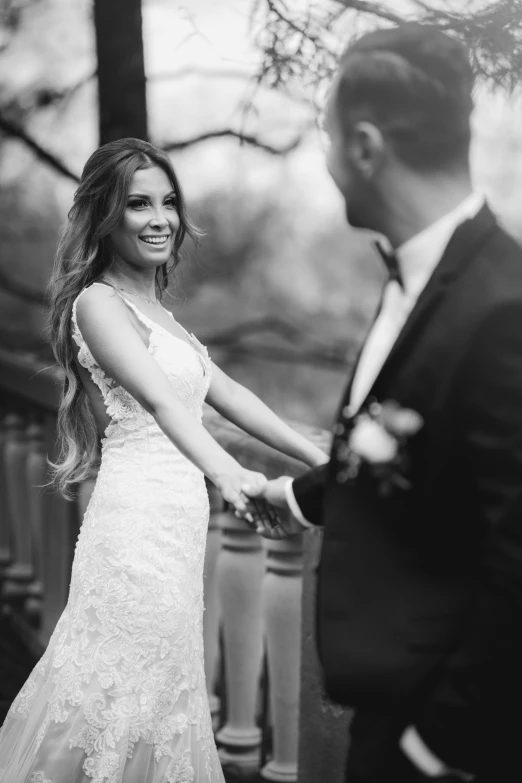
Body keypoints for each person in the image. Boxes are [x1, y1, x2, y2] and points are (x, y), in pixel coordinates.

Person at [244, 23, 522, 783]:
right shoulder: (422, 279)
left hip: (443, 744)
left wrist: (437, 748)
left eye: (328, 140)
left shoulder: (503, 309)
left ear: (365, 146)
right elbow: (415, 452)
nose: (328, 162)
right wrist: (297, 497)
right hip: (387, 716)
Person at [0, 138, 327, 783]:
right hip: (135, 523)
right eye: (138, 205)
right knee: (111, 685)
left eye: (169, 203)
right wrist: (229, 473)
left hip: (175, 524)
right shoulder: (98, 303)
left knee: (161, 688)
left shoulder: (163, 315)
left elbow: (230, 395)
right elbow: (164, 404)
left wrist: (327, 460)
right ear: (105, 216)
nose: (161, 219)